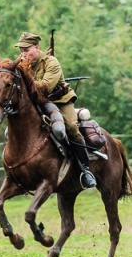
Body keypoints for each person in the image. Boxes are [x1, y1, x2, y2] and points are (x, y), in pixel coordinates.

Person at [14, 31, 97, 189]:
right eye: (21, 51)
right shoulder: (21, 64)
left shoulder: (51, 62)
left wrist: (25, 77)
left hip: (59, 101)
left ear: (37, 47)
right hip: (37, 104)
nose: (23, 54)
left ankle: (85, 170)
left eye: (26, 50)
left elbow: (45, 87)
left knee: (71, 127)